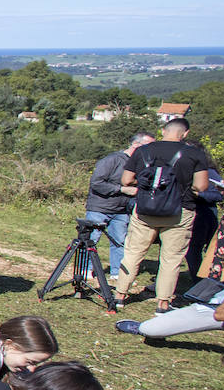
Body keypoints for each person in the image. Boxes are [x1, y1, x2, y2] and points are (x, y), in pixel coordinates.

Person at [114, 117, 210, 312]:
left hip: (145, 209)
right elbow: (201, 185)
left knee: (133, 253)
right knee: (171, 259)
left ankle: (120, 295)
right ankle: (163, 302)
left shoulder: (143, 150)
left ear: (163, 130)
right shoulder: (194, 154)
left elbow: (126, 179)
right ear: (185, 134)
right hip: (180, 211)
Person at [84, 131, 155, 282]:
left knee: (120, 242)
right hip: (99, 208)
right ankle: (87, 269)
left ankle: (117, 272)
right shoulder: (113, 160)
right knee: (91, 240)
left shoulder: (142, 165)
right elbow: (96, 183)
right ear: (136, 145)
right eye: (148, 147)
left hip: (122, 210)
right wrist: (121, 189)